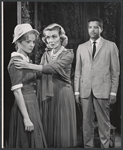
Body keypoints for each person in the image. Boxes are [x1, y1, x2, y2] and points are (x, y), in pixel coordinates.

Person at [13, 23, 77, 148]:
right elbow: (38, 73)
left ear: (61, 38)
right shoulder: (46, 54)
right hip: (47, 93)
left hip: (62, 93)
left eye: (54, 37)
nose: (51, 40)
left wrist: (28, 65)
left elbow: (52, 68)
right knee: (49, 132)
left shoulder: (68, 54)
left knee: (61, 130)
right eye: (47, 37)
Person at [74, 17, 120, 148]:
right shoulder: (81, 47)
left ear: (101, 29)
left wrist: (113, 92)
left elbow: (115, 72)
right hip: (85, 90)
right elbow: (77, 71)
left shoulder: (111, 46)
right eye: (90, 27)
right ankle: (88, 146)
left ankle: (104, 146)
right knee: (86, 122)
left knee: (103, 122)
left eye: (95, 27)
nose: (92, 30)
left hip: (103, 89)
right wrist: (76, 91)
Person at [7, 23, 47, 148]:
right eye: (28, 41)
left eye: (33, 42)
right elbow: (17, 92)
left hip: (31, 103)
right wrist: (26, 118)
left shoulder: (25, 59)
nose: (31, 45)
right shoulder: (17, 61)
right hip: (25, 105)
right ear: (18, 42)